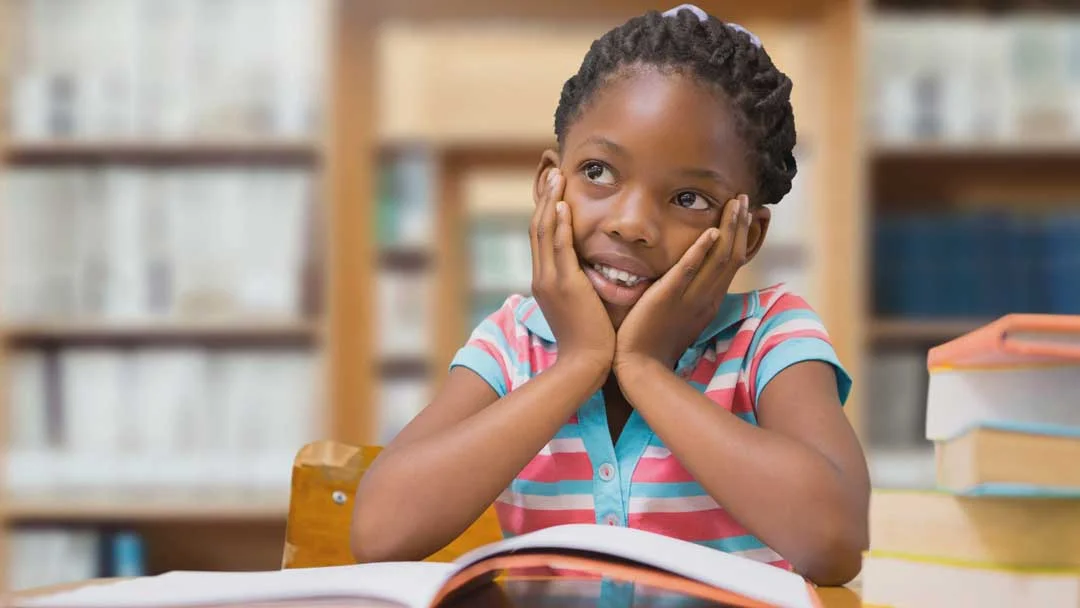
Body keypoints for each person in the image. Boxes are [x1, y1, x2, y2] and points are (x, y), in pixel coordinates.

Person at [351, 4, 870, 586]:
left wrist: (647, 370)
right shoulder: (512, 343)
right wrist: (578, 363)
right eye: (598, 171)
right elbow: (378, 530)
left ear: (745, 234)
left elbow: (834, 541)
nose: (631, 223)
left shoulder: (770, 336)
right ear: (551, 183)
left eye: (689, 199)